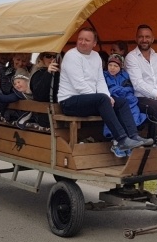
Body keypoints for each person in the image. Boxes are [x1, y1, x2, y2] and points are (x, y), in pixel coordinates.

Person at [57, 27, 152, 157]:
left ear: (94, 43)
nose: (82, 42)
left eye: (87, 40)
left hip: (89, 101)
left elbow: (100, 80)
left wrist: (107, 96)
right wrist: (102, 98)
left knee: (121, 102)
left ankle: (134, 136)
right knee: (102, 99)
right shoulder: (72, 56)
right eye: (80, 39)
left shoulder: (95, 56)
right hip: (70, 102)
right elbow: (79, 85)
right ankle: (122, 140)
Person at [103, 53, 146, 138]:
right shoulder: (104, 75)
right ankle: (115, 137)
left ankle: (131, 134)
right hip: (112, 100)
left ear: (120, 67)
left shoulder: (125, 76)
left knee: (133, 107)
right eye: (110, 65)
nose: (112, 68)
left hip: (126, 99)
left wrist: (120, 90)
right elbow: (106, 89)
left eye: (115, 66)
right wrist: (117, 90)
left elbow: (130, 89)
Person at [29, 52, 61, 129]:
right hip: (45, 115)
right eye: (48, 56)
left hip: (59, 112)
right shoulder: (38, 74)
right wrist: (48, 73)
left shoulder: (60, 74)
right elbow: (39, 95)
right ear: (41, 58)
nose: (52, 59)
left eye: (55, 57)